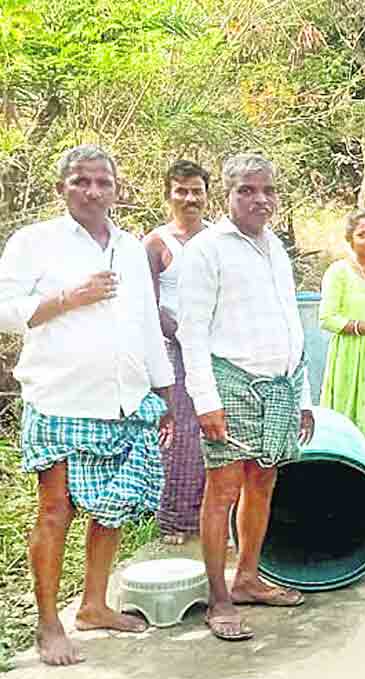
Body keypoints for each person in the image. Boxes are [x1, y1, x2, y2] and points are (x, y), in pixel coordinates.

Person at [0, 145, 174, 665]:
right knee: (56, 509)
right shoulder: (35, 242)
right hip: (60, 397)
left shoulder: (129, 248)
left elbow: (146, 322)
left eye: (103, 182)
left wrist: (163, 389)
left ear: (116, 190)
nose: (93, 191)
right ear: (62, 188)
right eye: (81, 181)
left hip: (124, 398)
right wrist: (66, 299)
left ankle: (94, 606)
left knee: (113, 506)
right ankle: (49, 623)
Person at [179, 153, 315, 642]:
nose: (260, 199)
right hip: (230, 384)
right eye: (247, 191)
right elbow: (191, 331)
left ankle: (248, 578)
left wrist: (302, 395)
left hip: (279, 385)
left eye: (268, 190)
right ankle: (219, 599)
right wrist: (205, 401)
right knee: (223, 491)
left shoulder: (274, 246)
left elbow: (291, 323)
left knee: (263, 481)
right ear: (227, 195)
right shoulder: (206, 249)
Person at [144, 159, 211, 545]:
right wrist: (183, 334)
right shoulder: (155, 244)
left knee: (216, 428)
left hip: (215, 348)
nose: (189, 198)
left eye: (196, 191)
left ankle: (214, 515)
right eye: (181, 191)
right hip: (174, 350)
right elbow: (147, 305)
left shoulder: (218, 239)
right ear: (168, 195)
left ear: (207, 195)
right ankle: (175, 520)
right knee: (180, 433)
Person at [318, 211, 365, 472]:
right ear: (349, 239)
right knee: (349, 416)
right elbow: (327, 318)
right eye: (363, 235)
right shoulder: (339, 272)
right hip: (350, 357)